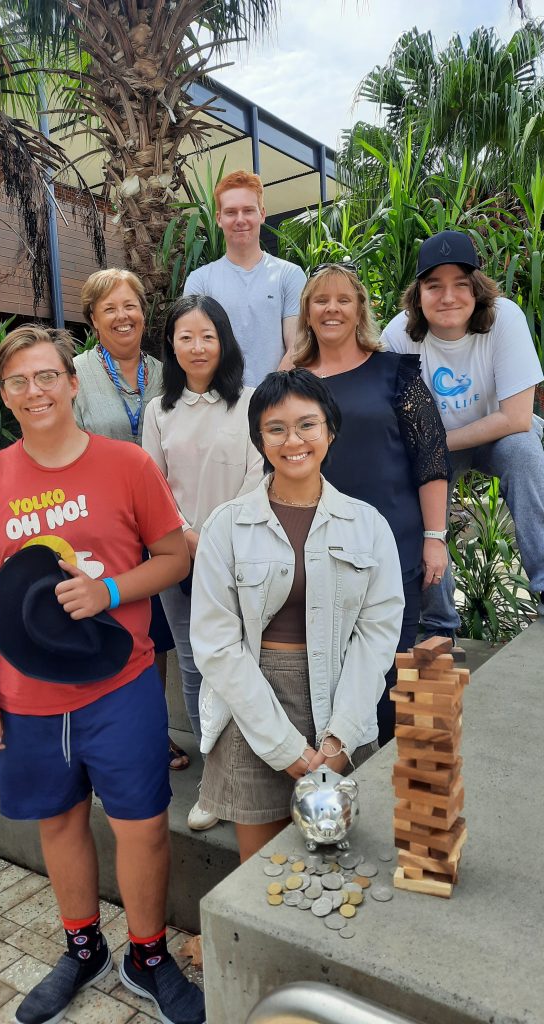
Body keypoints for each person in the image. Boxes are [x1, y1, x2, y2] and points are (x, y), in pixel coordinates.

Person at [0, 325, 205, 1024]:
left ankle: (147, 955)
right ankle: (82, 950)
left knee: (144, 828)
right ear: (6, 396)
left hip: (119, 683)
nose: (34, 392)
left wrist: (109, 593)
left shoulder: (126, 465)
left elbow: (174, 556)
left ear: (73, 384)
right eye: (18, 382)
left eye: (47, 376)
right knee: (59, 824)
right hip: (25, 695)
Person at [189, 369, 405, 862]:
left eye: (308, 425)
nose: (294, 441)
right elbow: (216, 644)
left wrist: (340, 736)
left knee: (337, 864)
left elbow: (376, 636)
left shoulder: (368, 525)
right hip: (252, 703)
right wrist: (286, 747)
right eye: (276, 428)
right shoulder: (227, 526)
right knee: (260, 871)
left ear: (330, 429)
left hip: (340, 696)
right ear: (259, 440)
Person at [285, 263, 451, 743]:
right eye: (321, 300)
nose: (332, 308)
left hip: (394, 546)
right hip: (319, 551)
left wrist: (435, 539)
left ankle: (395, 780)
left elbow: (431, 459)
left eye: (343, 299)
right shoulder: (292, 381)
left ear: (360, 309)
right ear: (307, 312)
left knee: (391, 672)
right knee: (331, 675)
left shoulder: (395, 372)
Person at [382, 230, 544, 633]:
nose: (448, 297)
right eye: (434, 286)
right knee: (408, 488)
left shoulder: (504, 319)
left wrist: (434, 444)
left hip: (497, 437)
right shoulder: (398, 336)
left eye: (460, 284)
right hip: (436, 449)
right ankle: (438, 622)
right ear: (418, 294)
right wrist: (429, 454)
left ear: (478, 289)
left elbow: (518, 418)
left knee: (526, 452)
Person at [143, 294, 263, 831]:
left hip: (244, 554)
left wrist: (215, 537)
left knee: (252, 661)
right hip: (178, 557)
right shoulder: (158, 410)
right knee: (195, 666)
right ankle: (216, 786)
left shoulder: (252, 402)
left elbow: (262, 475)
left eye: (207, 336)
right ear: (171, 344)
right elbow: (151, 485)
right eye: (185, 336)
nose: (197, 347)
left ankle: (260, 769)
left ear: (224, 341)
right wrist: (188, 537)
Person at [75, 268, 187, 770]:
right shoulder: (75, 374)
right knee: (107, 623)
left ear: (144, 314)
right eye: (110, 309)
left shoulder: (167, 373)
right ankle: (101, 731)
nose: (123, 317)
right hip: (101, 522)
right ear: (94, 320)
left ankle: (152, 731)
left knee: (156, 631)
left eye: (131, 306)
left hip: (161, 521)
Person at [183, 170, 306, 386]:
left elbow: (296, 347)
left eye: (248, 210)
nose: (240, 220)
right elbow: (195, 349)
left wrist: (268, 398)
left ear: (262, 214)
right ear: (219, 218)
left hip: (274, 403)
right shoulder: (199, 281)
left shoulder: (289, 275)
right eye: (231, 212)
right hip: (218, 405)